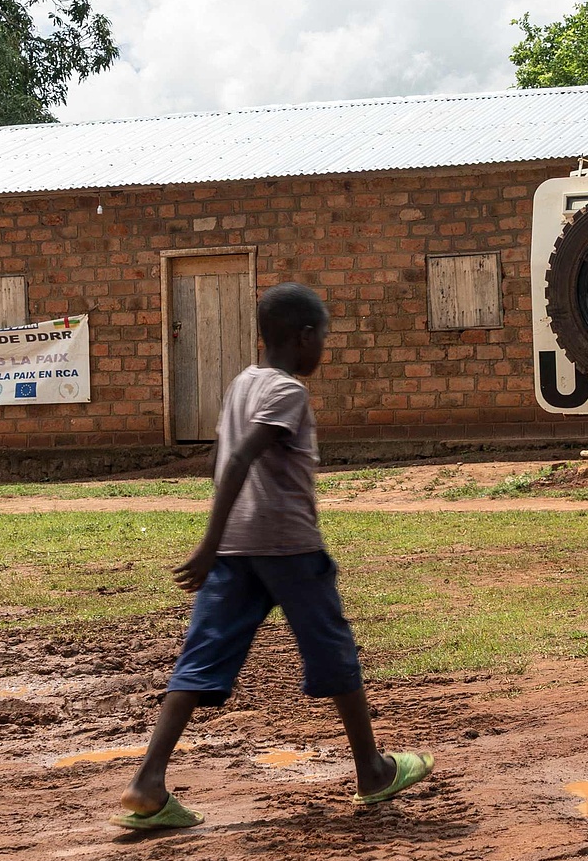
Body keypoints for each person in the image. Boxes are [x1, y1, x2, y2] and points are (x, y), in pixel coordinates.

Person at [113, 282, 433, 830]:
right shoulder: (287, 392)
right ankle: (372, 771)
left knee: (203, 657)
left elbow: (223, 456)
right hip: (287, 547)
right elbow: (239, 457)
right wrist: (207, 543)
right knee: (333, 650)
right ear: (304, 337)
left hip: (238, 551)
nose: (323, 349)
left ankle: (148, 782)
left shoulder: (242, 383)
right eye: (323, 338)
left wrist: (221, 541)